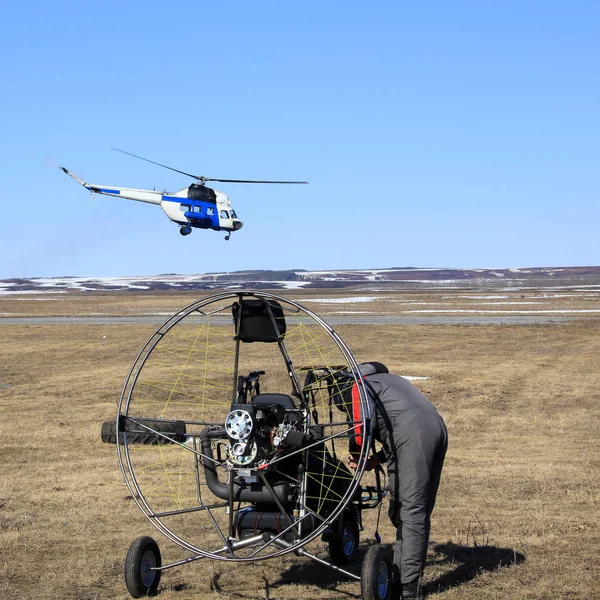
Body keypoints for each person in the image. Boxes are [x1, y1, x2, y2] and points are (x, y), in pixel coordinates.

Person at [346, 362, 448, 600]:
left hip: (413, 433)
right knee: (416, 511)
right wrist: (376, 459)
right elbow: (400, 424)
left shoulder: (361, 386)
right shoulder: (395, 383)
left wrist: (357, 455)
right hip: (436, 428)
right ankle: (401, 573)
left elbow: (360, 431)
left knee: (410, 511)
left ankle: (407, 590)